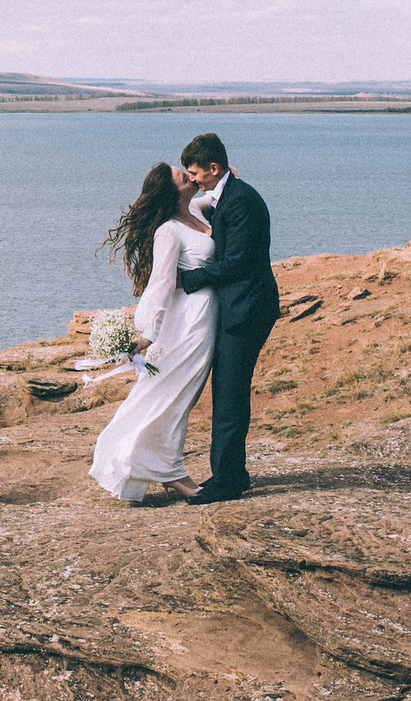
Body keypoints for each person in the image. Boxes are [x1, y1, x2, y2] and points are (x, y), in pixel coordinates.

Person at [88, 162, 219, 504]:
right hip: (186, 324)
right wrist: (148, 332)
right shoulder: (169, 231)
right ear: (171, 191)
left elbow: (221, 190)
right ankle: (172, 473)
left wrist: (223, 176)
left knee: (178, 396)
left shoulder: (196, 210)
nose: (193, 177)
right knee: (170, 396)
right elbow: (160, 282)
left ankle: (152, 466)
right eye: (184, 176)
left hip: (204, 319)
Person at [173, 132, 279, 504]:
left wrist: (188, 278)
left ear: (213, 168)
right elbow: (207, 207)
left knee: (230, 395)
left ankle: (230, 480)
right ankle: (232, 472)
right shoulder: (229, 196)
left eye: (196, 173)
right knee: (227, 392)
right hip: (239, 308)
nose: (193, 180)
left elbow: (236, 264)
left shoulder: (242, 202)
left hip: (247, 311)